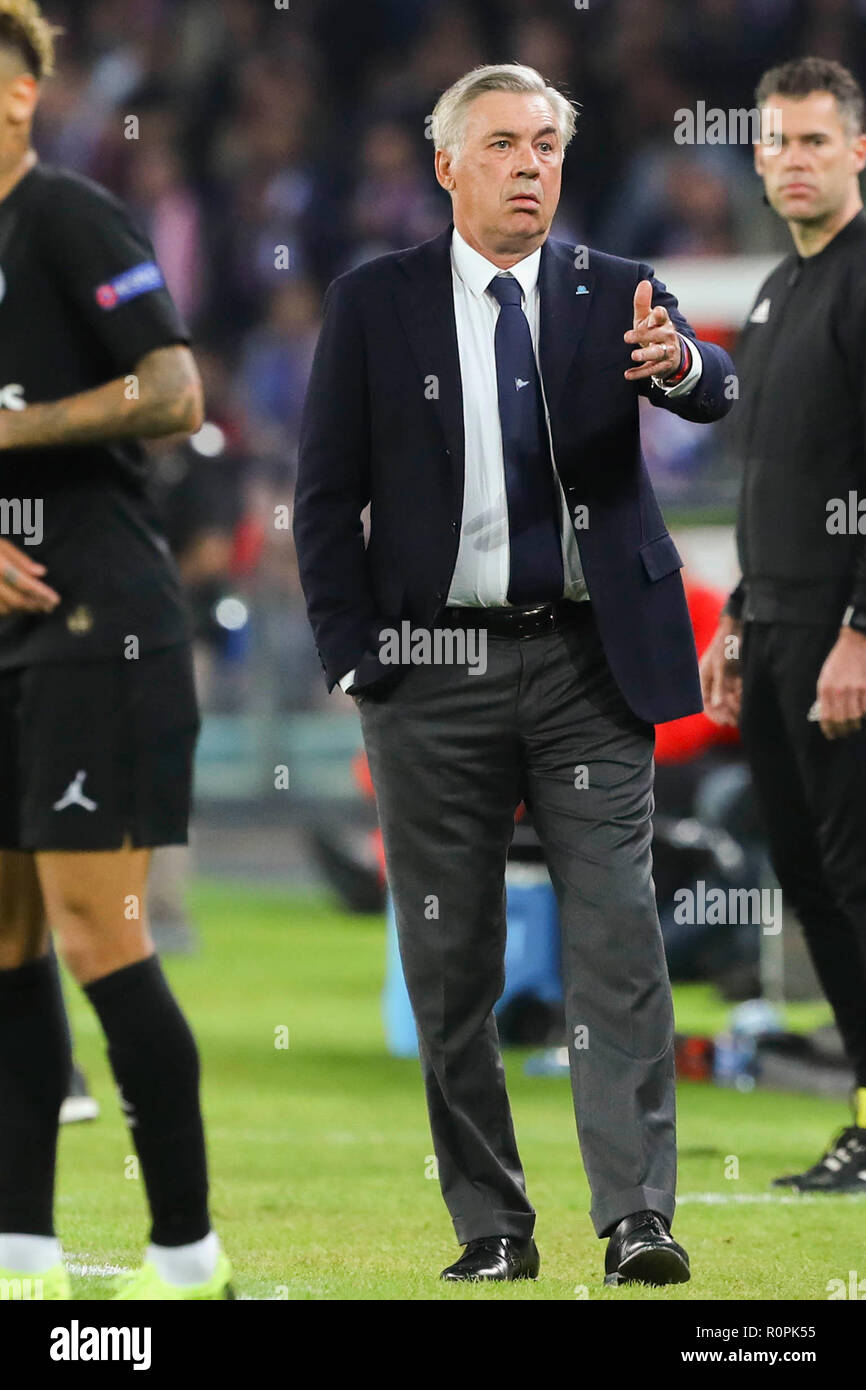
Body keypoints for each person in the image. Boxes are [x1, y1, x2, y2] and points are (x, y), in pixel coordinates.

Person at [295, 62, 734, 1286]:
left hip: (588, 664)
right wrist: (352, 659)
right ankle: (492, 1224)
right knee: (451, 965)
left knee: (620, 943)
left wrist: (683, 369)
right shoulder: (372, 303)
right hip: (428, 677)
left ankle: (635, 1216)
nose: (530, 164)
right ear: (446, 166)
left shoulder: (617, 293)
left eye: (545, 143)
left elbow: (712, 384)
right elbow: (323, 502)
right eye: (501, 144)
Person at [0, 0, 232, 1299]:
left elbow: (174, 392)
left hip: (102, 625)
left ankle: (186, 1249)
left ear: (24, 91)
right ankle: (21, 1246)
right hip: (6, 632)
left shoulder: (69, 215)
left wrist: (11, 433)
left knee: (103, 933)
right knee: (4, 939)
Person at [702, 56, 866, 1193]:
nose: (794, 160)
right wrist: (734, 624)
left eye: (816, 140)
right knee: (810, 886)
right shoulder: (774, 291)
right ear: (754, 155)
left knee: (854, 884)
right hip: (771, 631)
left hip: (840, 636)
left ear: (857, 150)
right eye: (778, 142)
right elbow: (769, 477)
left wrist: (860, 628)